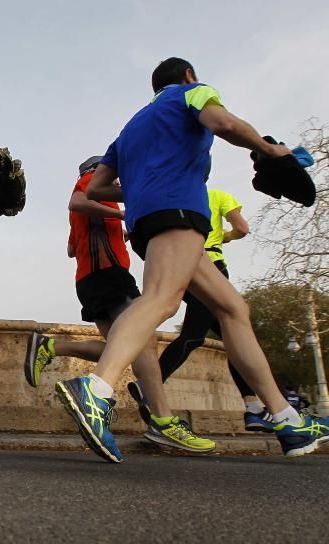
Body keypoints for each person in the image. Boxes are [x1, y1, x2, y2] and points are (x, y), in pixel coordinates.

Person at [56, 57, 327, 462]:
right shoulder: (191, 93)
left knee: (233, 308)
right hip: (179, 213)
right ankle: (97, 390)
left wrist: (145, 186)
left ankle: (287, 420)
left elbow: (97, 188)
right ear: (187, 75)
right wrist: (272, 150)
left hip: (153, 218)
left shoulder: (129, 130)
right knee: (162, 299)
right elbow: (225, 125)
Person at [24, 156, 214, 453]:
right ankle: (162, 421)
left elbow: (72, 248)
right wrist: (120, 215)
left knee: (122, 347)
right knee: (144, 341)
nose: (119, 181)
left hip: (89, 277)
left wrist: (117, 230)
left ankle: (51, 347)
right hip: (109, 273)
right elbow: (77, 201)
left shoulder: (97, 208)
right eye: (116, 176)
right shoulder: (89, 181)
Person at [140, 187, 276, 432]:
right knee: (194, 335)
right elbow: (242, 228)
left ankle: (254, 407)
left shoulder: (181, 195)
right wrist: (226, 236)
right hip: (210, 266)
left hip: (182, 266)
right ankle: (149, 386)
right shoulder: (220, 196)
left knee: (232, 335)